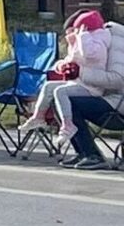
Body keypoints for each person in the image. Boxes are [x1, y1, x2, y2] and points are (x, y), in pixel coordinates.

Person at [18, 10, 111, 152]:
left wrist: (82, 36)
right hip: (79, 83)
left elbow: (90, 54)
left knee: (61, 92)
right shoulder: (82, 42)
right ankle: (38, 117)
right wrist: (62, 65)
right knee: (49, 86)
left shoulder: (99, 41)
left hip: (92, 87)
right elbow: (72, 59)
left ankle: (68, 124)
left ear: (86, 29)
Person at [48, 13, 124, 170]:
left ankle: (93, 155)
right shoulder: (94, 39)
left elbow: (118, 79)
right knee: (56, 95)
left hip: (118, 102)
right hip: (102, 95)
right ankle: (84, 152)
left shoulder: (116, 43)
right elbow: (76, 62)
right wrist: (63, 66)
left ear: (84, 28)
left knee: (70, 100)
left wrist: (80, 73)